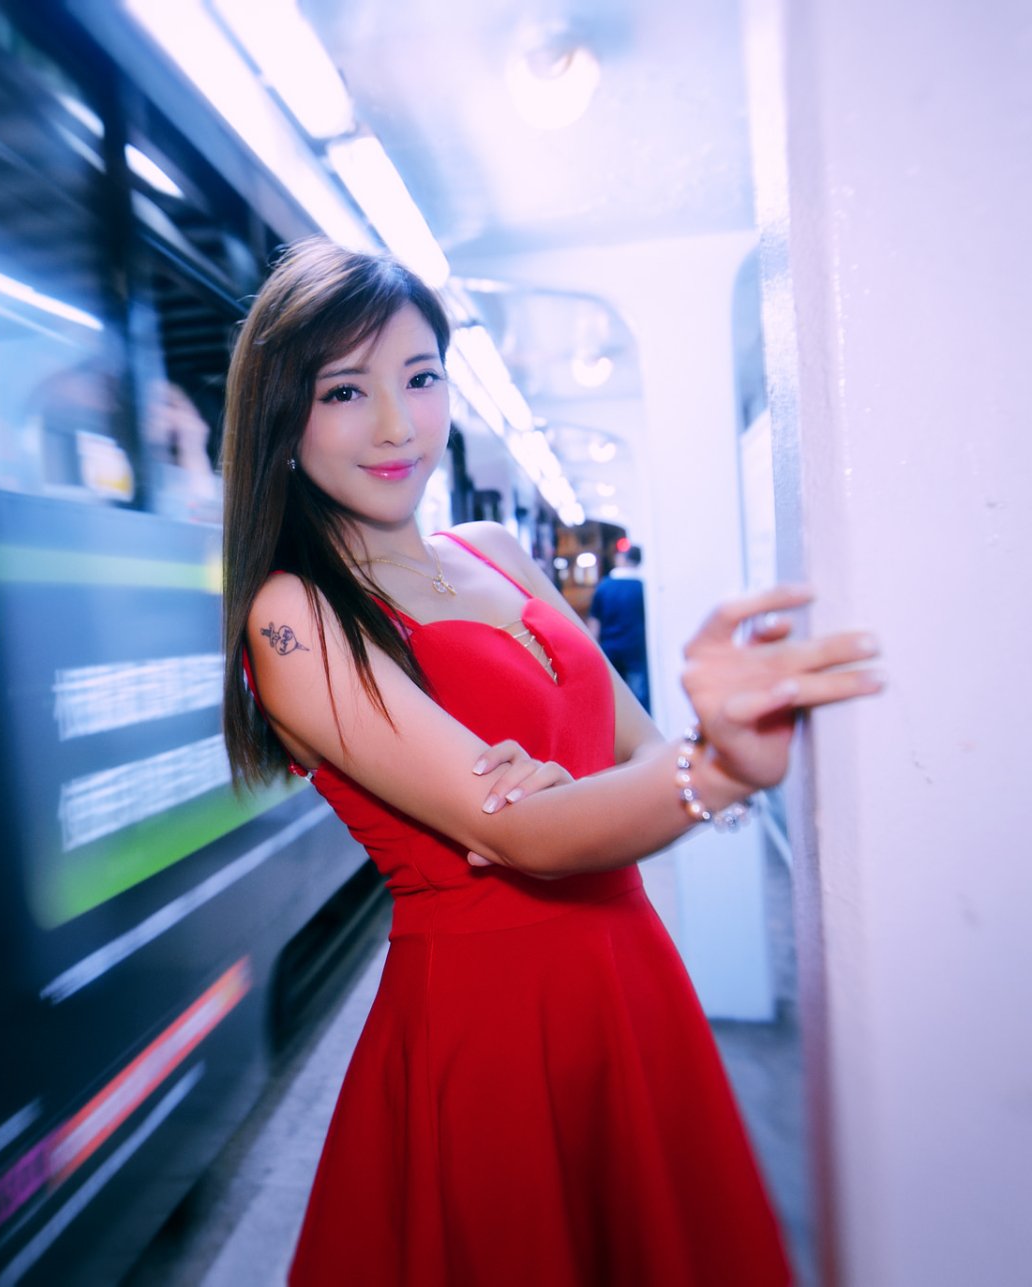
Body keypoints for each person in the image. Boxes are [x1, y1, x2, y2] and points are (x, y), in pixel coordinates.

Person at [220, 238, 882, 1286]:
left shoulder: (496, 547)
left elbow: (638, 752)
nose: (398, 424)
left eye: (422, 377)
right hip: (490, 1024)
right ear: (283, 419)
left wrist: (662, 772)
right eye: (346, 390)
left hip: (627, 972)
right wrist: (711, 774)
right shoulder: (293, 617)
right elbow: (519, 828)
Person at [588, 543, 651, 710]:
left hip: (610, 649)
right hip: (637, 650)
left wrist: (595, 650)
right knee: (638, 699)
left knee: (614, 698)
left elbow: (595, 622)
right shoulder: (644, 587)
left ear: (622, 559)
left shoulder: (604, 586)